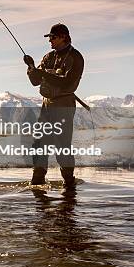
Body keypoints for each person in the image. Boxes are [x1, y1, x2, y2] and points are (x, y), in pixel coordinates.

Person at [23, 23, 84, 188]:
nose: (49, 40)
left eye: (53, 37)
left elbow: (67, 83)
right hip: (46, 105)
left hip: (64, 104)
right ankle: (37, 181)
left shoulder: (75, 58)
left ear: (63, 37)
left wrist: (42, 73)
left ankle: (69, 183)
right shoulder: (48, 57)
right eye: (49, 37)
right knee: (40, 143)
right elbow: (36, 82)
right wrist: (31, 68)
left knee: (62, 145)